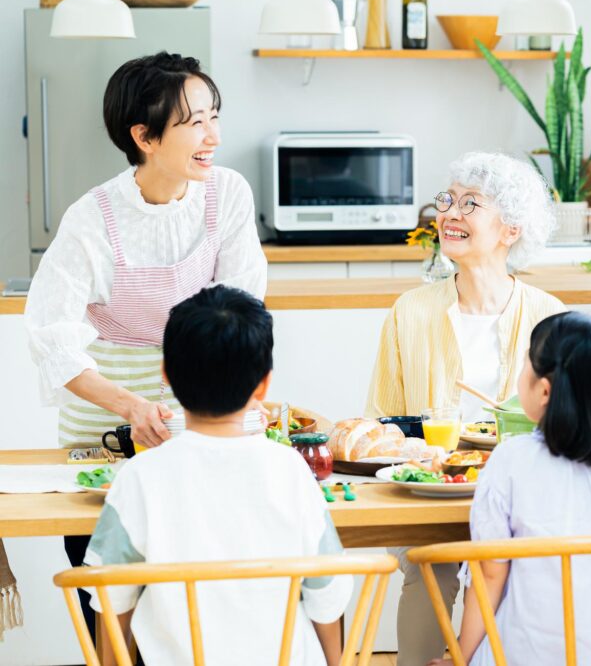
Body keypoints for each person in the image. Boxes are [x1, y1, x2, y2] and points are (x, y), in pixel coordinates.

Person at [24, 51, 266, 638]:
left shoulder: (227, 194)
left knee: (192, 604)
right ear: (145, 137)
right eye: (195, 123)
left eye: (214, 117)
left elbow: (241, 309)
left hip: (197, 423)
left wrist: (208, 407)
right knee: (110, 602)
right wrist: (131, 407)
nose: (213, 136)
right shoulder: (93, 219)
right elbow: (53, 341)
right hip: (103, 434)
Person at [366, 152, 565, 666]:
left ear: (511, 229)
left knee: (518, 569)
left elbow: (567, 424)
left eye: (470, 204)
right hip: (430, 486)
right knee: (427, 568)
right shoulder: (411, 310)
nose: (450, 214)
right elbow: (383, 420)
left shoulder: (549, 315)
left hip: (524, 490)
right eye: (447, 200)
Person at [84, 285, 352, 665]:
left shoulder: (140, 476)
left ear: (167, 375)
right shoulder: (290, 468)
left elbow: (110, 596)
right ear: (264, 384)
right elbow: (327, 592)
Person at [429, 311, 591, 666]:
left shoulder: (511, 459)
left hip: (527, 655)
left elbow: (490, 574)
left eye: (527, 363)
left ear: (544, 391)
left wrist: (459, 657)